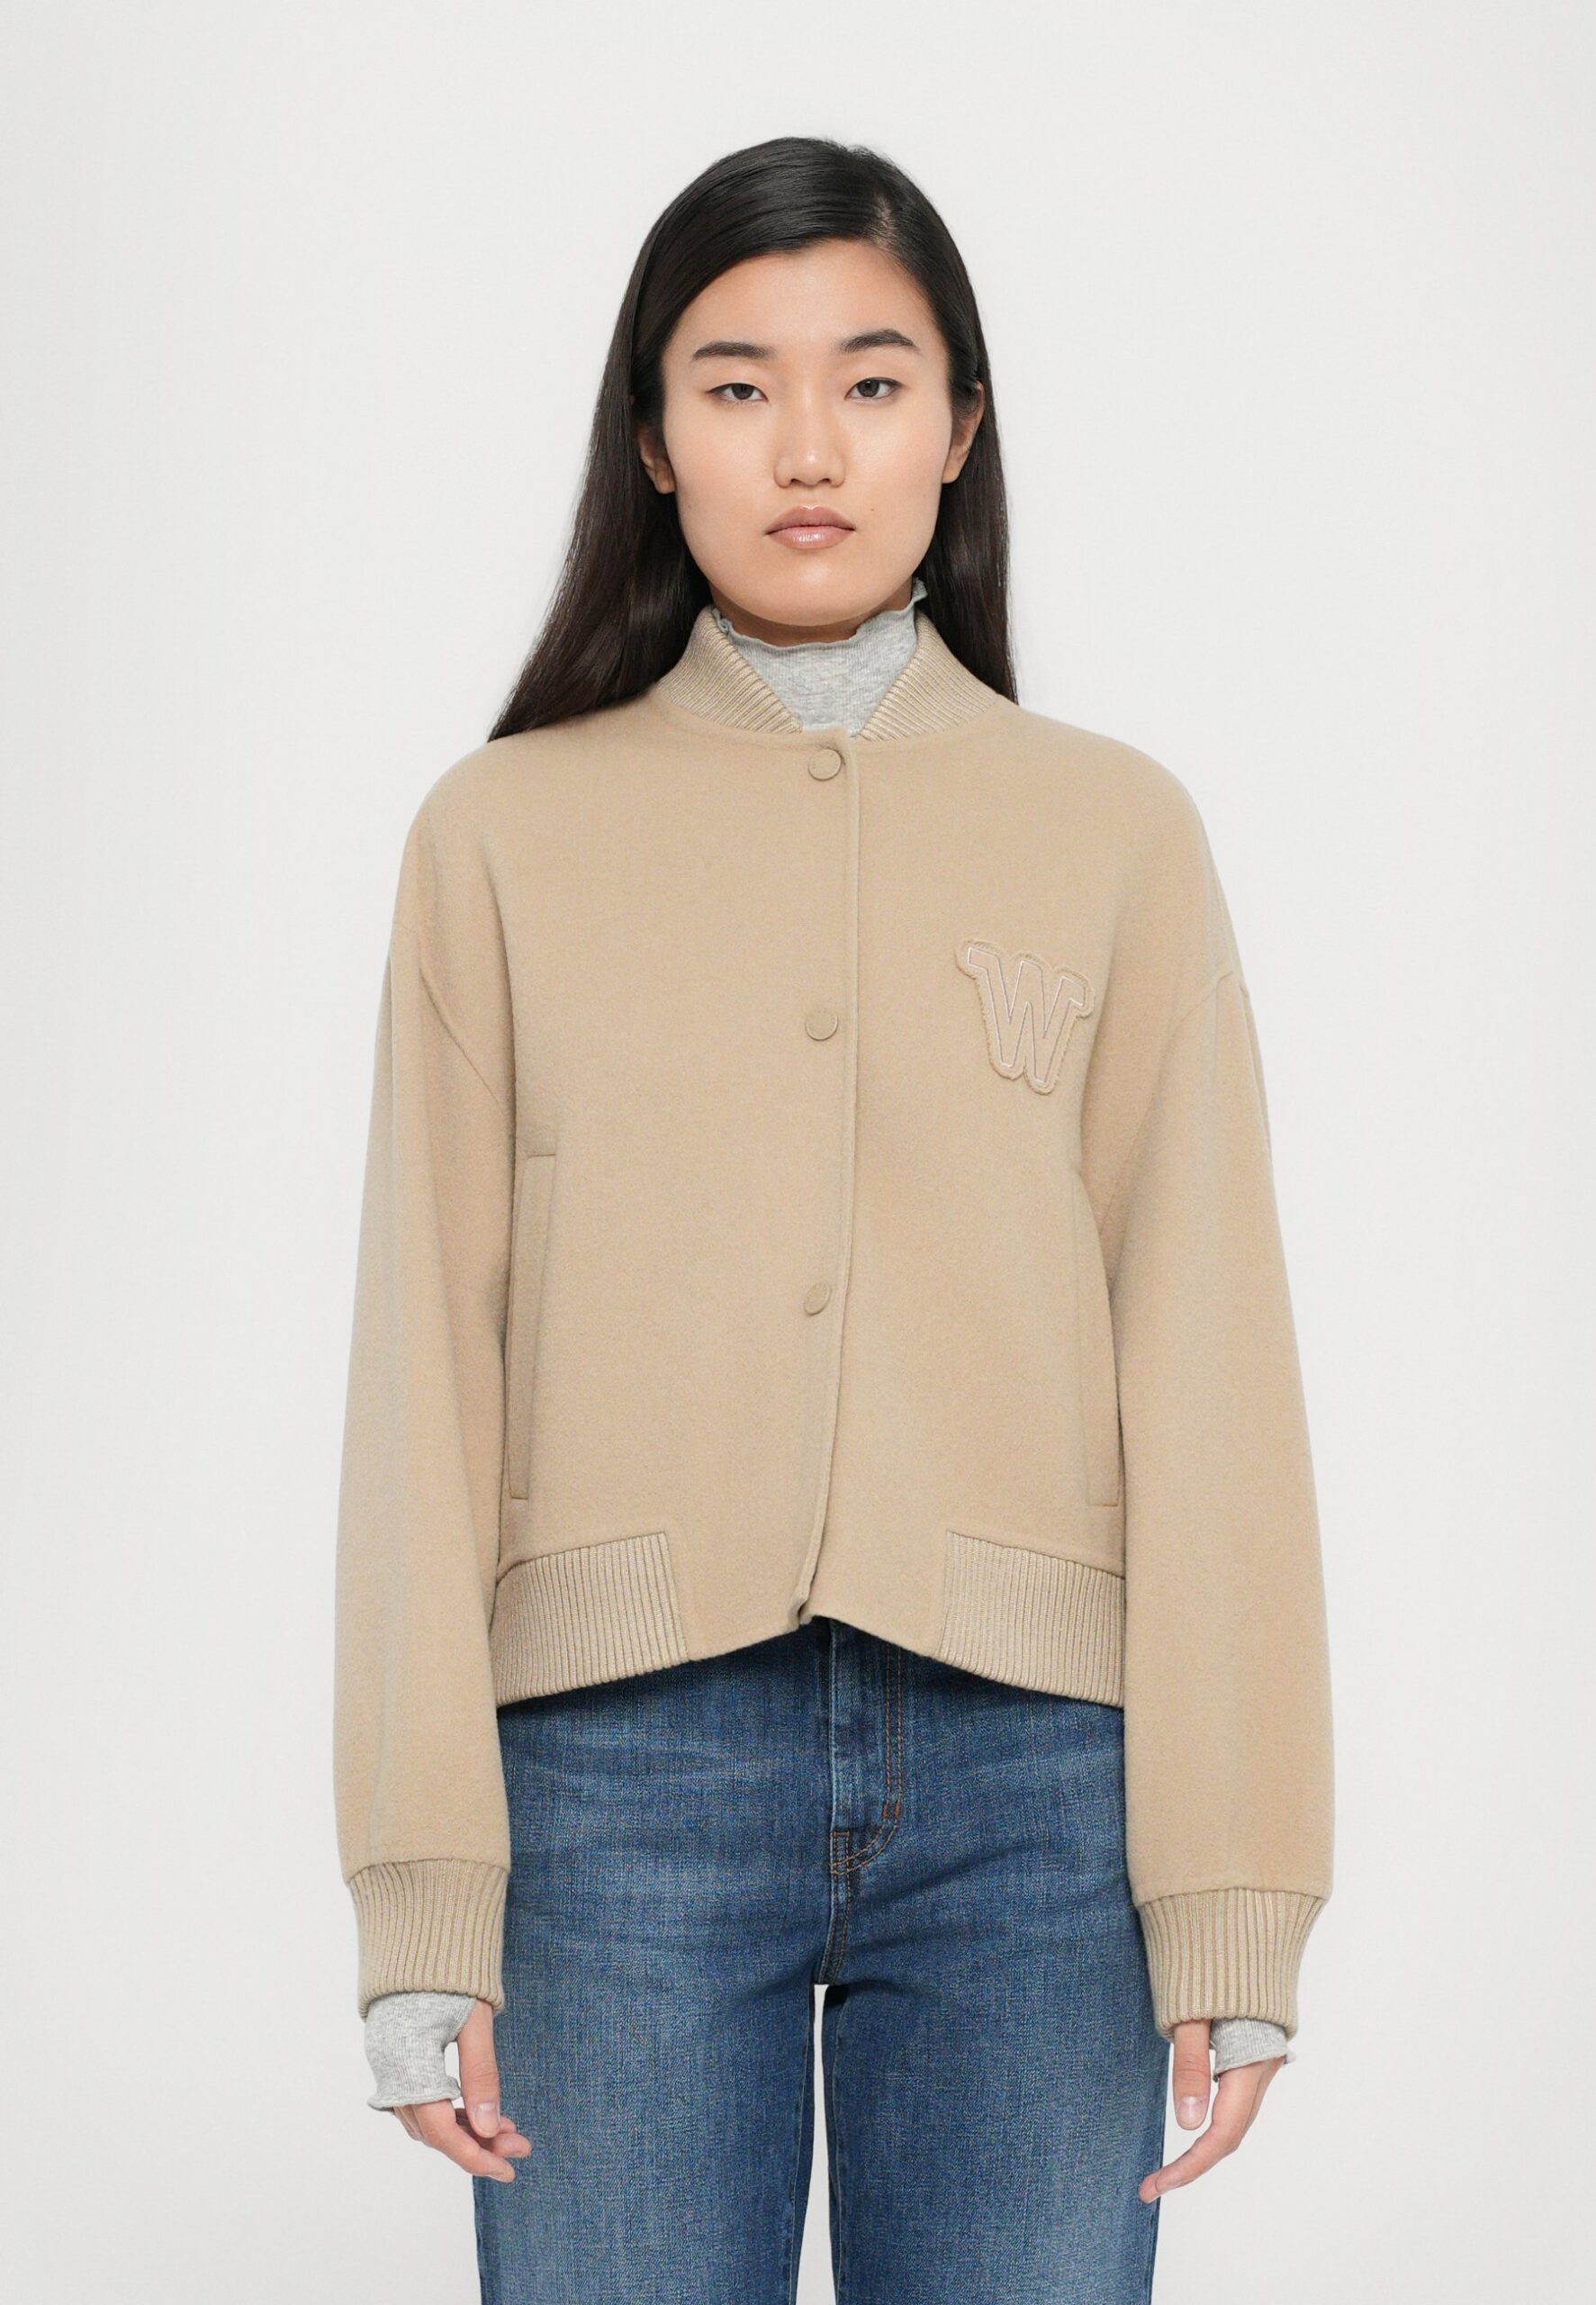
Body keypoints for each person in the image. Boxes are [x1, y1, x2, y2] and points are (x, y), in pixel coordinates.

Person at [333, 134, 1334, 2303]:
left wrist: (1232, 1891)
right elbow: (421, 1366)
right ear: (650, 437)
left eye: (871, 382)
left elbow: (1208, 1366)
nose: (807, 447)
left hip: (1037, 1787)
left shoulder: (1113, 833)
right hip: (608, 1778)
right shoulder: (499, 833)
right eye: (736, 384)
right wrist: (419, 1898)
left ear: (959, 427)